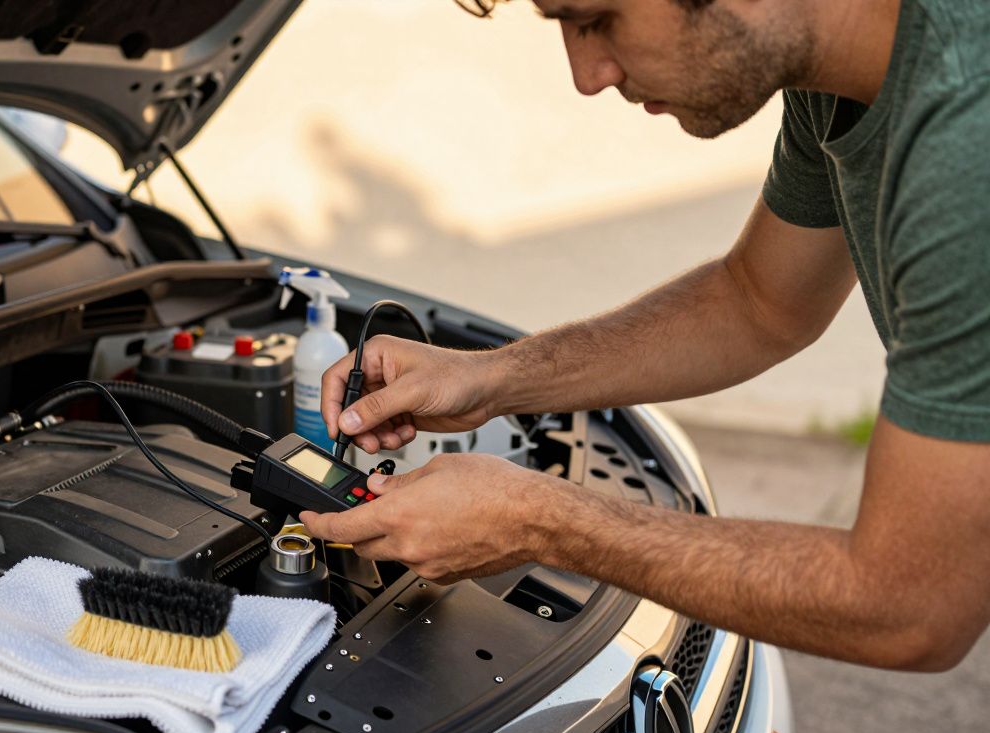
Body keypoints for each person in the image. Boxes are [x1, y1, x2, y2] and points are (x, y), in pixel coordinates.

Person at [298, 0, 990, 672]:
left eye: (597, 19)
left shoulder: (966, 143)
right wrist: (491, 379)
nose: (586, 73)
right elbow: (758, 302)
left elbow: (908, 605)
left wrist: (536, 521)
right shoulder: (834, 79)